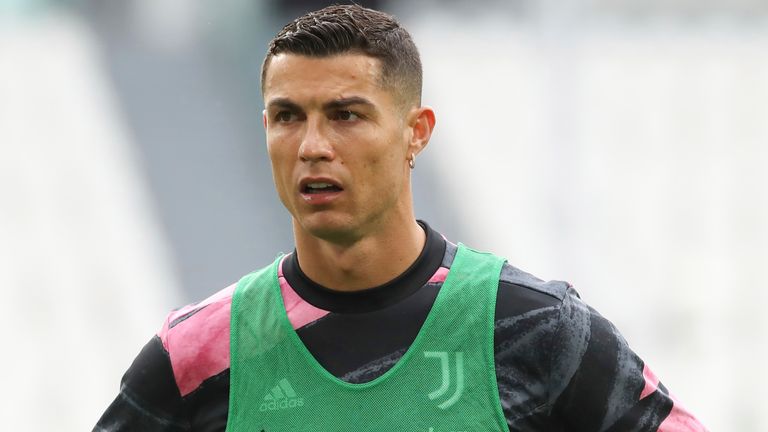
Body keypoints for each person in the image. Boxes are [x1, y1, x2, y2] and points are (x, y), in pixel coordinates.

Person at [94, 4, 708, 431]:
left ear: (416, 133)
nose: (311, 145)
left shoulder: (535, 328)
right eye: (287, 116)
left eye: (346, 114)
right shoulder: (198, 353)